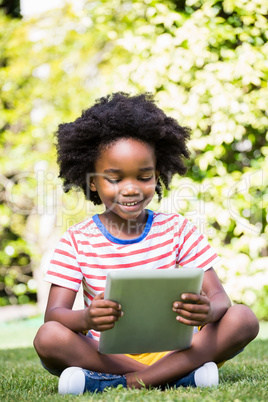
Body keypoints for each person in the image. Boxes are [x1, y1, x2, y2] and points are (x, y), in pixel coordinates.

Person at [33, 92, 259, 395]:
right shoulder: (76, 241)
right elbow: (55, 316)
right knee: (48, 337)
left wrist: (207, 312)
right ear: (92, 182)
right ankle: (179, 375)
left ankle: (128, 382)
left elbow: (220, 298)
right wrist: (85, 317)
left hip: (176, 348)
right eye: (115, 178)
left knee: (243, 318)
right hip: (110, 354)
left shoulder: (178, 230)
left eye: (144, 177)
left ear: (158, 175)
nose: (131, 189)